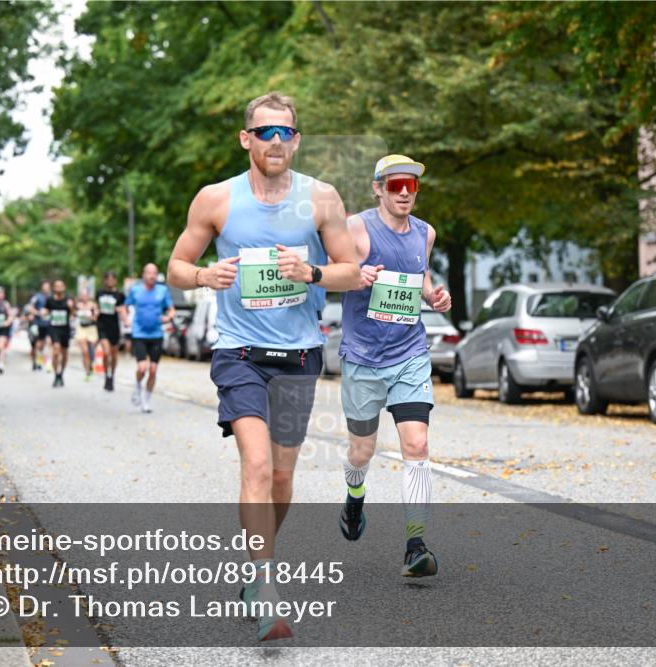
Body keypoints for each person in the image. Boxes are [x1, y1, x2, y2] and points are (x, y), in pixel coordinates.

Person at [167, 91, 359, 641]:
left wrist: (313, 274)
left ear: (296, 140)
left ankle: (256, 570)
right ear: (246, 138)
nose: (277, 141)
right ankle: (265, 584)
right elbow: (179, 264)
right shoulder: (216, 200)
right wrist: (205, 277)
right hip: (239, 353)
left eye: (286, 133)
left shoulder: (321, 198)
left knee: (280, 476)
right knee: (254, 464)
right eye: (266, 132)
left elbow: (351, 270)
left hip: (299, 354)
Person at [335, 155, 451, 577]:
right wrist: (356, 275)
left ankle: (416, 545)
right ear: (378, 188)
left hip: (409, 355)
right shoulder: (357, 228)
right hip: (363, 358)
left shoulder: (425, 233)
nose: (405, 192)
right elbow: (332, 273)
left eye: (412, 186)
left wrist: (434, 296)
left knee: (416, 445)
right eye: (396, 184)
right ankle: (354, 495)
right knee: (361, 452)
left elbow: (420, 280)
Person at [126, 264, 175, 412]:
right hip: (139, 333)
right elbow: (125, 306)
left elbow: (171, 309)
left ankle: (146, 401)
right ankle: (137, 385)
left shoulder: (162, 290)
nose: (152, 276)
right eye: (149, 273)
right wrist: (126, 319)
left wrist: (168, 317)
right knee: (142, 367)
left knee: (153, 370)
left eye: (154, 273)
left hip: (156, 335)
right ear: (143, 274)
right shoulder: (135, 290)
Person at [96, 271, 129, 392]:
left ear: (115, 281)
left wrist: (124, 316)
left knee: (114, 355)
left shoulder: (120, 295)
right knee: (106, 352)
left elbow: (125, 309)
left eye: (112, 279)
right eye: (107, 279)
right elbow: (96, 306)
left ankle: (112, 375)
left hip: (114, 326)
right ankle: (107, 375)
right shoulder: (99, 293)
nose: (110, 281)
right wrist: (95, 312)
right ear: (105, 281)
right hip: (102, 325)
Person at [44, 279, 74, 387]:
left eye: (61, 286)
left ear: (64, 287)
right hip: (54, 328)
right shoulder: (50, 300)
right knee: (56, 350)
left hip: (65, 329)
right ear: (54, 288)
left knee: (64, 353)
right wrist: (43, 312)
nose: (59, 288)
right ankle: (56, 373)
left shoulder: (68, 300)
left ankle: (61, 374)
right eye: (57, 286)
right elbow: (46, 311)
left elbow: (74, 314)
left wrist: (71, 307)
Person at [74, 288, 99, 381]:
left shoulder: (93, 305)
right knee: (85, 351)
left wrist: (90, 316)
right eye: (82, 295)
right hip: (81, 329)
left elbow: (96, 318)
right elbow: (73, 315)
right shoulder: (77, 305)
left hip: (91, 329)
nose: (84, 297)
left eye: (85, 295)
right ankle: (87, 371)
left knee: (91, 351)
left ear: (88, 296)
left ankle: (91, 364)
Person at [30, 280, 52, 371]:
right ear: (42, 287)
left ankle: (48, 363)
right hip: (39, 323)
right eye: (44, 286)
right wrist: (39, 313)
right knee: (39, 344)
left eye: (47, 286)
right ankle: (38, 359)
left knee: (49, 342)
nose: (46, 288)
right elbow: (31, 308)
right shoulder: (37, 297)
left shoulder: (52, 297)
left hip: (50, 323)